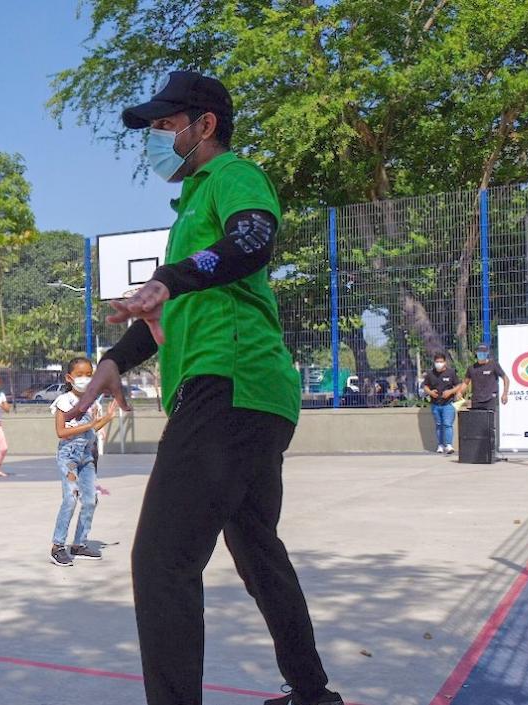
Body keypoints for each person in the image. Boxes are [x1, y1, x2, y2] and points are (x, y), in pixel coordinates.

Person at [64, 71, 343, 705]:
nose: (155, 139)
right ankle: (313, 693)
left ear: (204, 125)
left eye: (164, 126)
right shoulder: (192, 204)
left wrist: (171, 277)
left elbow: (252, 242)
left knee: (161, 563)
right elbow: (183, 301)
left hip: (230, 387)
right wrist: (115, 360)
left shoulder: (232, 176)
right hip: (251, 394)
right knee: (257, 551)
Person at [49, 358, 117, 567]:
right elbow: (61, 432)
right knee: (70, 498)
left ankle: (79, 544)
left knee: (89, 500)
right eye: (80, 375)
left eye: (89, 374)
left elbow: (92, 429)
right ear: (69, 378)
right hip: (68, 456)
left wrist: (107, 417)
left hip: (86, 456)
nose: (85, 379)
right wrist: (91, 425)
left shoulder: (92, 402)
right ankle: (57, 546)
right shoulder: (64, 401)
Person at [462, 342, 509, 459]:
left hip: (490, 399)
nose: (481, 354)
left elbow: (505, 378)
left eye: (483, 352)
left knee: (490, 427)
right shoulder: (471, 368)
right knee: (476, 426)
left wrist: (505, 393)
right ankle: (478, 452)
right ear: (476, 354)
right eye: (479, 352)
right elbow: (465, 383)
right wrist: (459, 393)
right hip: (476, 400)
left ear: (487, 353)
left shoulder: (493, 365)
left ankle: (492, 452)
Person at [421, 352, 463, 455]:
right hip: (435, 404)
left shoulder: (451, 372)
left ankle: (448, 445)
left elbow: (458, 385)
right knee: (439, 425)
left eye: (441, 361)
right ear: (434, 362)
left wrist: (450, 392)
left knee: (447, 424)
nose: (439, 363)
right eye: (437, 362)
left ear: (445, 362)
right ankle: (440, 445)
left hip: (448, 404)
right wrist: (430, 392)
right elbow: (425, 386)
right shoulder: (430, 374)